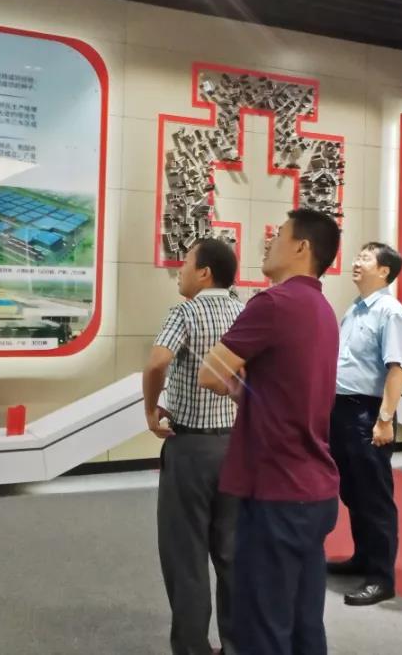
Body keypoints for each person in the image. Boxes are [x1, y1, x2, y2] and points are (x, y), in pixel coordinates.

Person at [198, 208, 342, 655]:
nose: (269, 242)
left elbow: (209, 373)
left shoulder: (273, 303)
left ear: (302, 247)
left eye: (279, 235)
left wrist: (238, 384)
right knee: (303, 623)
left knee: (263, 626)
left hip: (276, 489)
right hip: (313, 488)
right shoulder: (323, 309)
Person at [142, 238, 244, 655]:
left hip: (190, 450)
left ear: (204, 273)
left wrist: (151, 409)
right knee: (232, 552)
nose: (180, 271)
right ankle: (237, 645)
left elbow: (157, 361)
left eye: (185, 263)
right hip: (237, 449)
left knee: (186, 555)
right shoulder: (243, 311)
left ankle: (192, 648)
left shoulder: (184, 312)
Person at [326, 242, 402, 606]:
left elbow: (397, 368)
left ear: (384, 271)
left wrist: (385, 420)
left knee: (374, 498)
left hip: (369, 413)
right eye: (358, 256)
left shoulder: (391, 313)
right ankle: (363, 558)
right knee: (353, 492)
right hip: (342, 411)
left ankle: (381, 578)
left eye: (366, 258)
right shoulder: (355, 309)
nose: (357, 263)